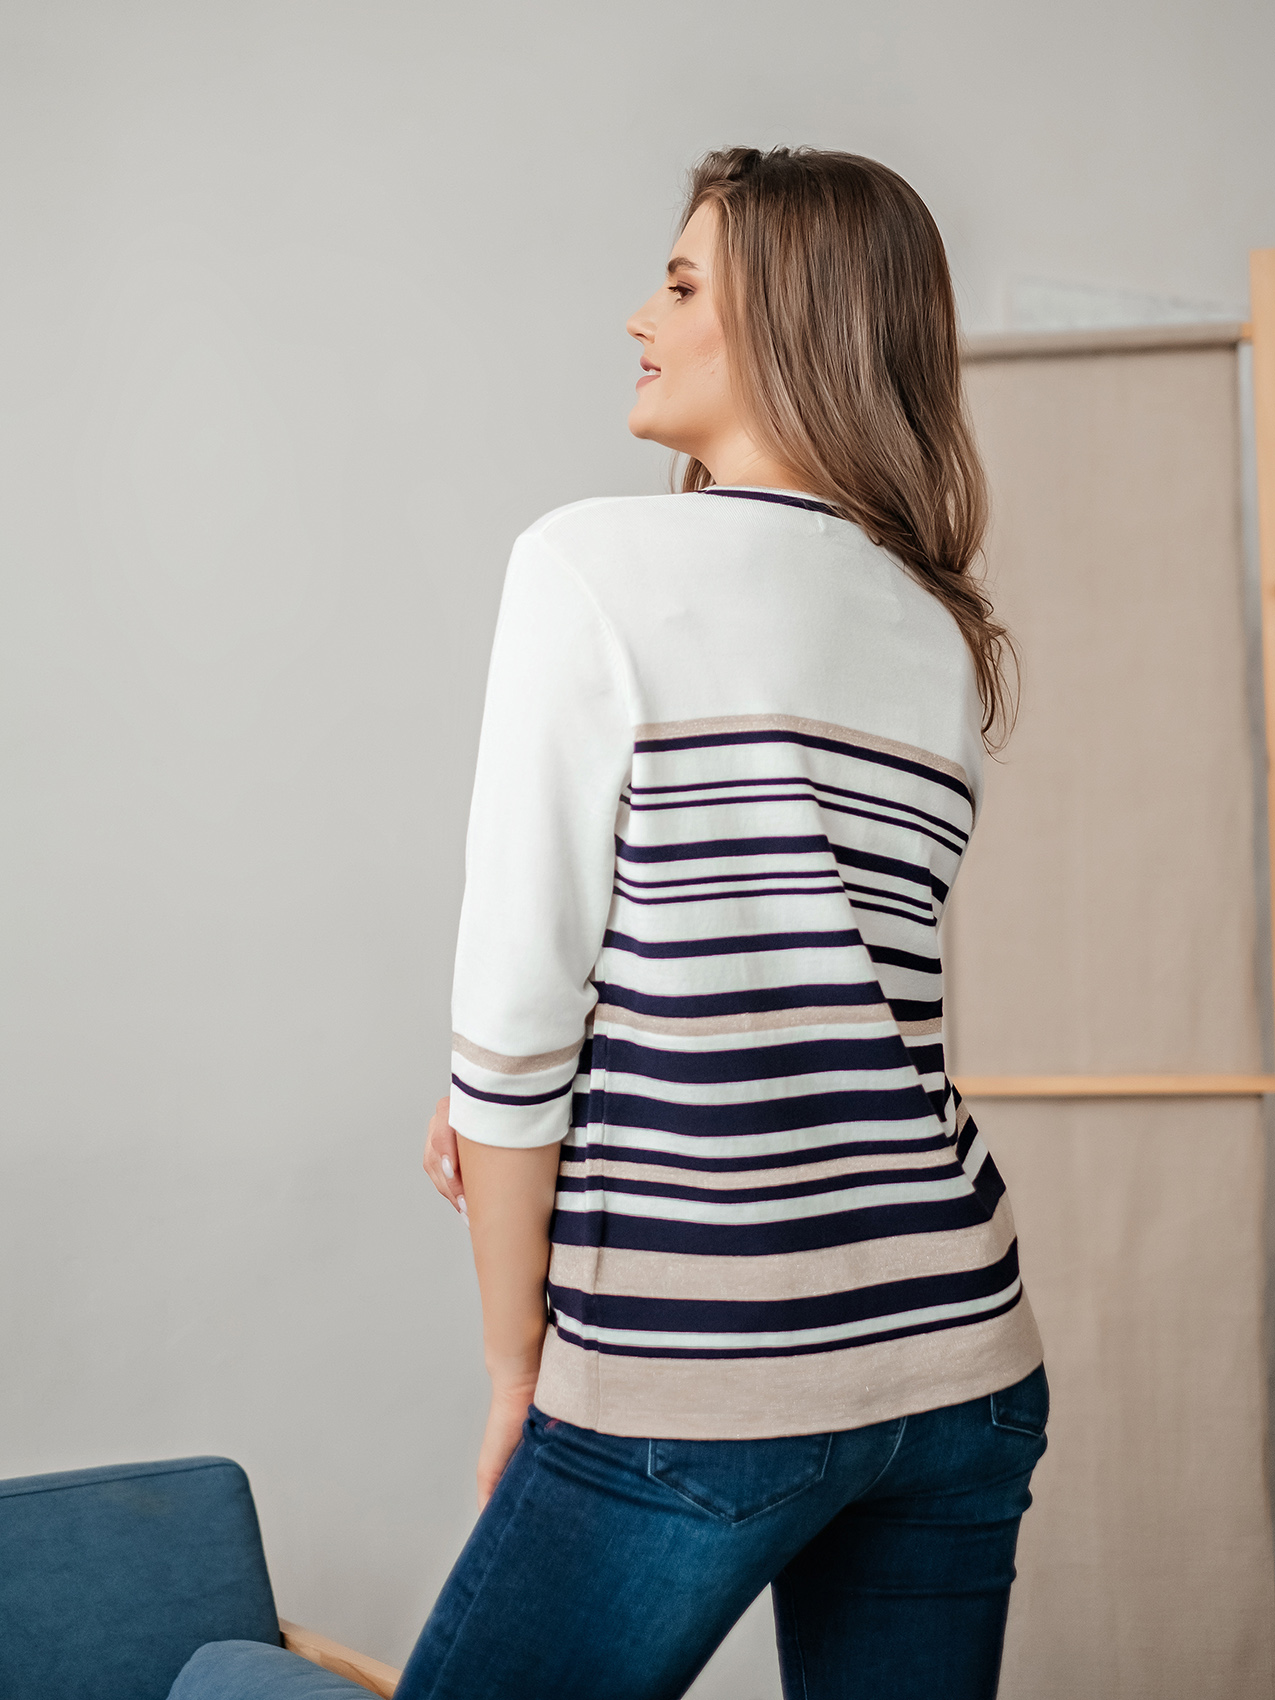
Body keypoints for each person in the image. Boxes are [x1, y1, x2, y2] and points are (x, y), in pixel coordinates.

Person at [405, 145, 1047, 1700]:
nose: (641, 315)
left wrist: (516, 1373)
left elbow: (515, 1028)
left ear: (792, 321)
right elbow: (820, 994)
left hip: (696, 1368)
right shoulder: (938, 631)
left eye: (683, 283)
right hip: (961, 1354)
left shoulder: (589, 566)